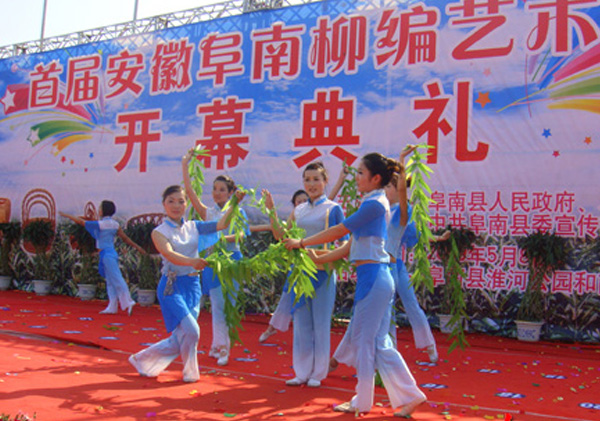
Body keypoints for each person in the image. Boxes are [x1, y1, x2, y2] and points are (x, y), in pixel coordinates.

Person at [284, 153, 427, 417]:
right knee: (378, 342)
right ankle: (410, 395)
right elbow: (351, 245)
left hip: (374, 279)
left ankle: (363, 401)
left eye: (361, 173)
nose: (357, 177)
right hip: (374, 278)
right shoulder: (373, 203)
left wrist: (302, 243)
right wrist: (320, 258)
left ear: (375, 178)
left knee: (364, 341)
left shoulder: (374, 205)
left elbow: (340, 231)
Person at [128, 184, 245, 383]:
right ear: (164, 204)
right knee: (192, 330)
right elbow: (169, 254)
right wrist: (192, 261)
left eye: (181, 201)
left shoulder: (194, 226)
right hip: (171, 286)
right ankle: (190, 372)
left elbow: (222, 224)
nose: (176, 206)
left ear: (186, 204)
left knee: (181, 336)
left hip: (193, 285)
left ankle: (142, 360)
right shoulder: (159, 231)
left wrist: (234, 203)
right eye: (171, 201)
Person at [262, 161, 347, 388]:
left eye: (316, 179)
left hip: (323, 273)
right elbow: (281, 236)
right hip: (299, 274)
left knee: (321, 324)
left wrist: (322, 258)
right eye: (307, 180)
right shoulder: (299, 210)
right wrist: (271, 210)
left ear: (325, 181)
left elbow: (344, 243)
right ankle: (301, 372)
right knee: (301, 325)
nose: (311, 184)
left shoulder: (333, 209)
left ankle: (318, 373)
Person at [181, 150, 250, 366]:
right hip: (213, 263)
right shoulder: (208, 213)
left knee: (228, 306)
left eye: (222, 190)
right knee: (217, 306)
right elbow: (190, 193)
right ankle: (218, 346)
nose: (217, 193)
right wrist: (185, 164)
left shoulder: (238, 211)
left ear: (231, 193)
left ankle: (223, 347)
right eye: (214, 189)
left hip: (231, 262)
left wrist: (220, 239)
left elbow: (241, 235)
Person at [59, 201, 144, 315]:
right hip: (109, 253)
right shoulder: (115, 224)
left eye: (100, 208)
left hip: (107, 254)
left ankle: (128, 301)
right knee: (110, 281)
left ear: (104, 210)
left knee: (116, 279)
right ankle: (112, 306)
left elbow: (81, 222)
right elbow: (125, 239)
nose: (99, 210)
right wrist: (138, 247)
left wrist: (66, 215)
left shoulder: (101, 224)